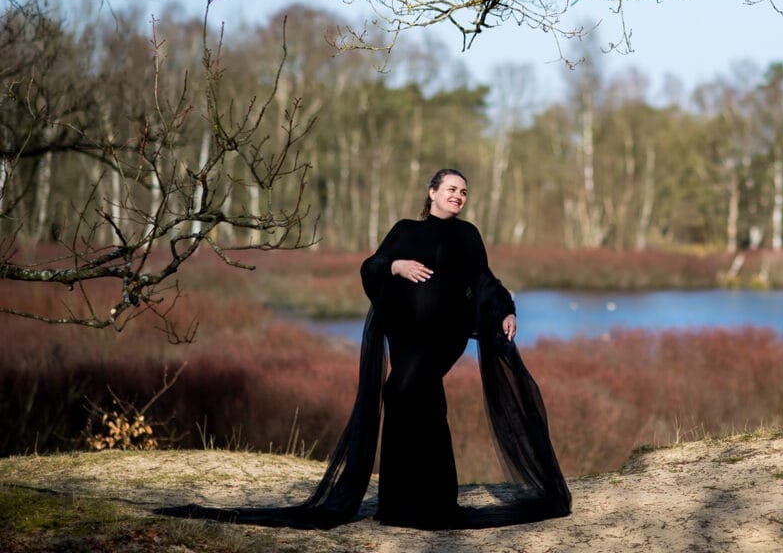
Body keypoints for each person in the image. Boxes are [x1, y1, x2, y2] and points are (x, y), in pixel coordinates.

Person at [159, 168, 571, 530]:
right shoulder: (405, 229)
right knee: (413, 400)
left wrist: (506, 311)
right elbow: (372, 266)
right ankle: (408, 505)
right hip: (406, 336)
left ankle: (431, 504)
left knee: (404, 392)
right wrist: (396, 266)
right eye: (451, 188)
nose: (458, 196)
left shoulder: (467, 235)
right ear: (431, 192)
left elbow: (483, 279)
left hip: (444, 335)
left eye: (463, 192)